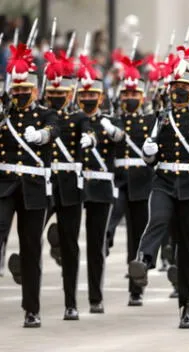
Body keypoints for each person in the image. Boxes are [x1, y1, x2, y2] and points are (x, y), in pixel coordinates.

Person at [131, 46, 189, 328]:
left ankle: (187, 306)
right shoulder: (161, 116)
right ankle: (144, 258)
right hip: (164, 181)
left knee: (188, 249)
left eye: (184, 87)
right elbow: (150, 158)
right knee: (158, 218)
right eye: (175, 86)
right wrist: (149, 152)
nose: (179, 91)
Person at [1, 43, 59, 328]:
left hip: (34, 187)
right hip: (5, 185)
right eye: (17, 89)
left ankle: (31, 309)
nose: (20, 94)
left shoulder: (46, 115)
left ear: (36, 90)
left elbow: (53, 130)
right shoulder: (5, 113)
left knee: (30, 248)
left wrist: (41, 136)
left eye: (26, 90)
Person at [43, 50, 94, 320]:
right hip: (44, 184)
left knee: (70, 244)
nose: (56, 97)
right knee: (30, 237)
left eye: (61, 92)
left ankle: (71, 302)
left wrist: (90, 139)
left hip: (70, 188)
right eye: (52, 93)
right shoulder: (40, 116)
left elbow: (88, 128)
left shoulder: (77, 118)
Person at [77, 54, 124, 314]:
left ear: (101, 98)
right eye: (83, 96)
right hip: (71, 185)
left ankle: (95, 297)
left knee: (96, 244)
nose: (87, 100)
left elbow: (120, 139)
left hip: (99, 187)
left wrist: (107, 128)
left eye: (92, 95)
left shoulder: (110, 121)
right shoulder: (71, 119)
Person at [112, 56, 155, 307]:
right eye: (126, 93)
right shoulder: (114, 120)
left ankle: (135, 288)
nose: (129, 97)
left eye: (134, 93)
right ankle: (106, 239)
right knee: (112, 215)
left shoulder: (150, 121)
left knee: (136, 238)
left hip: (141, 183)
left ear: (142, 97)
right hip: (119, 182)